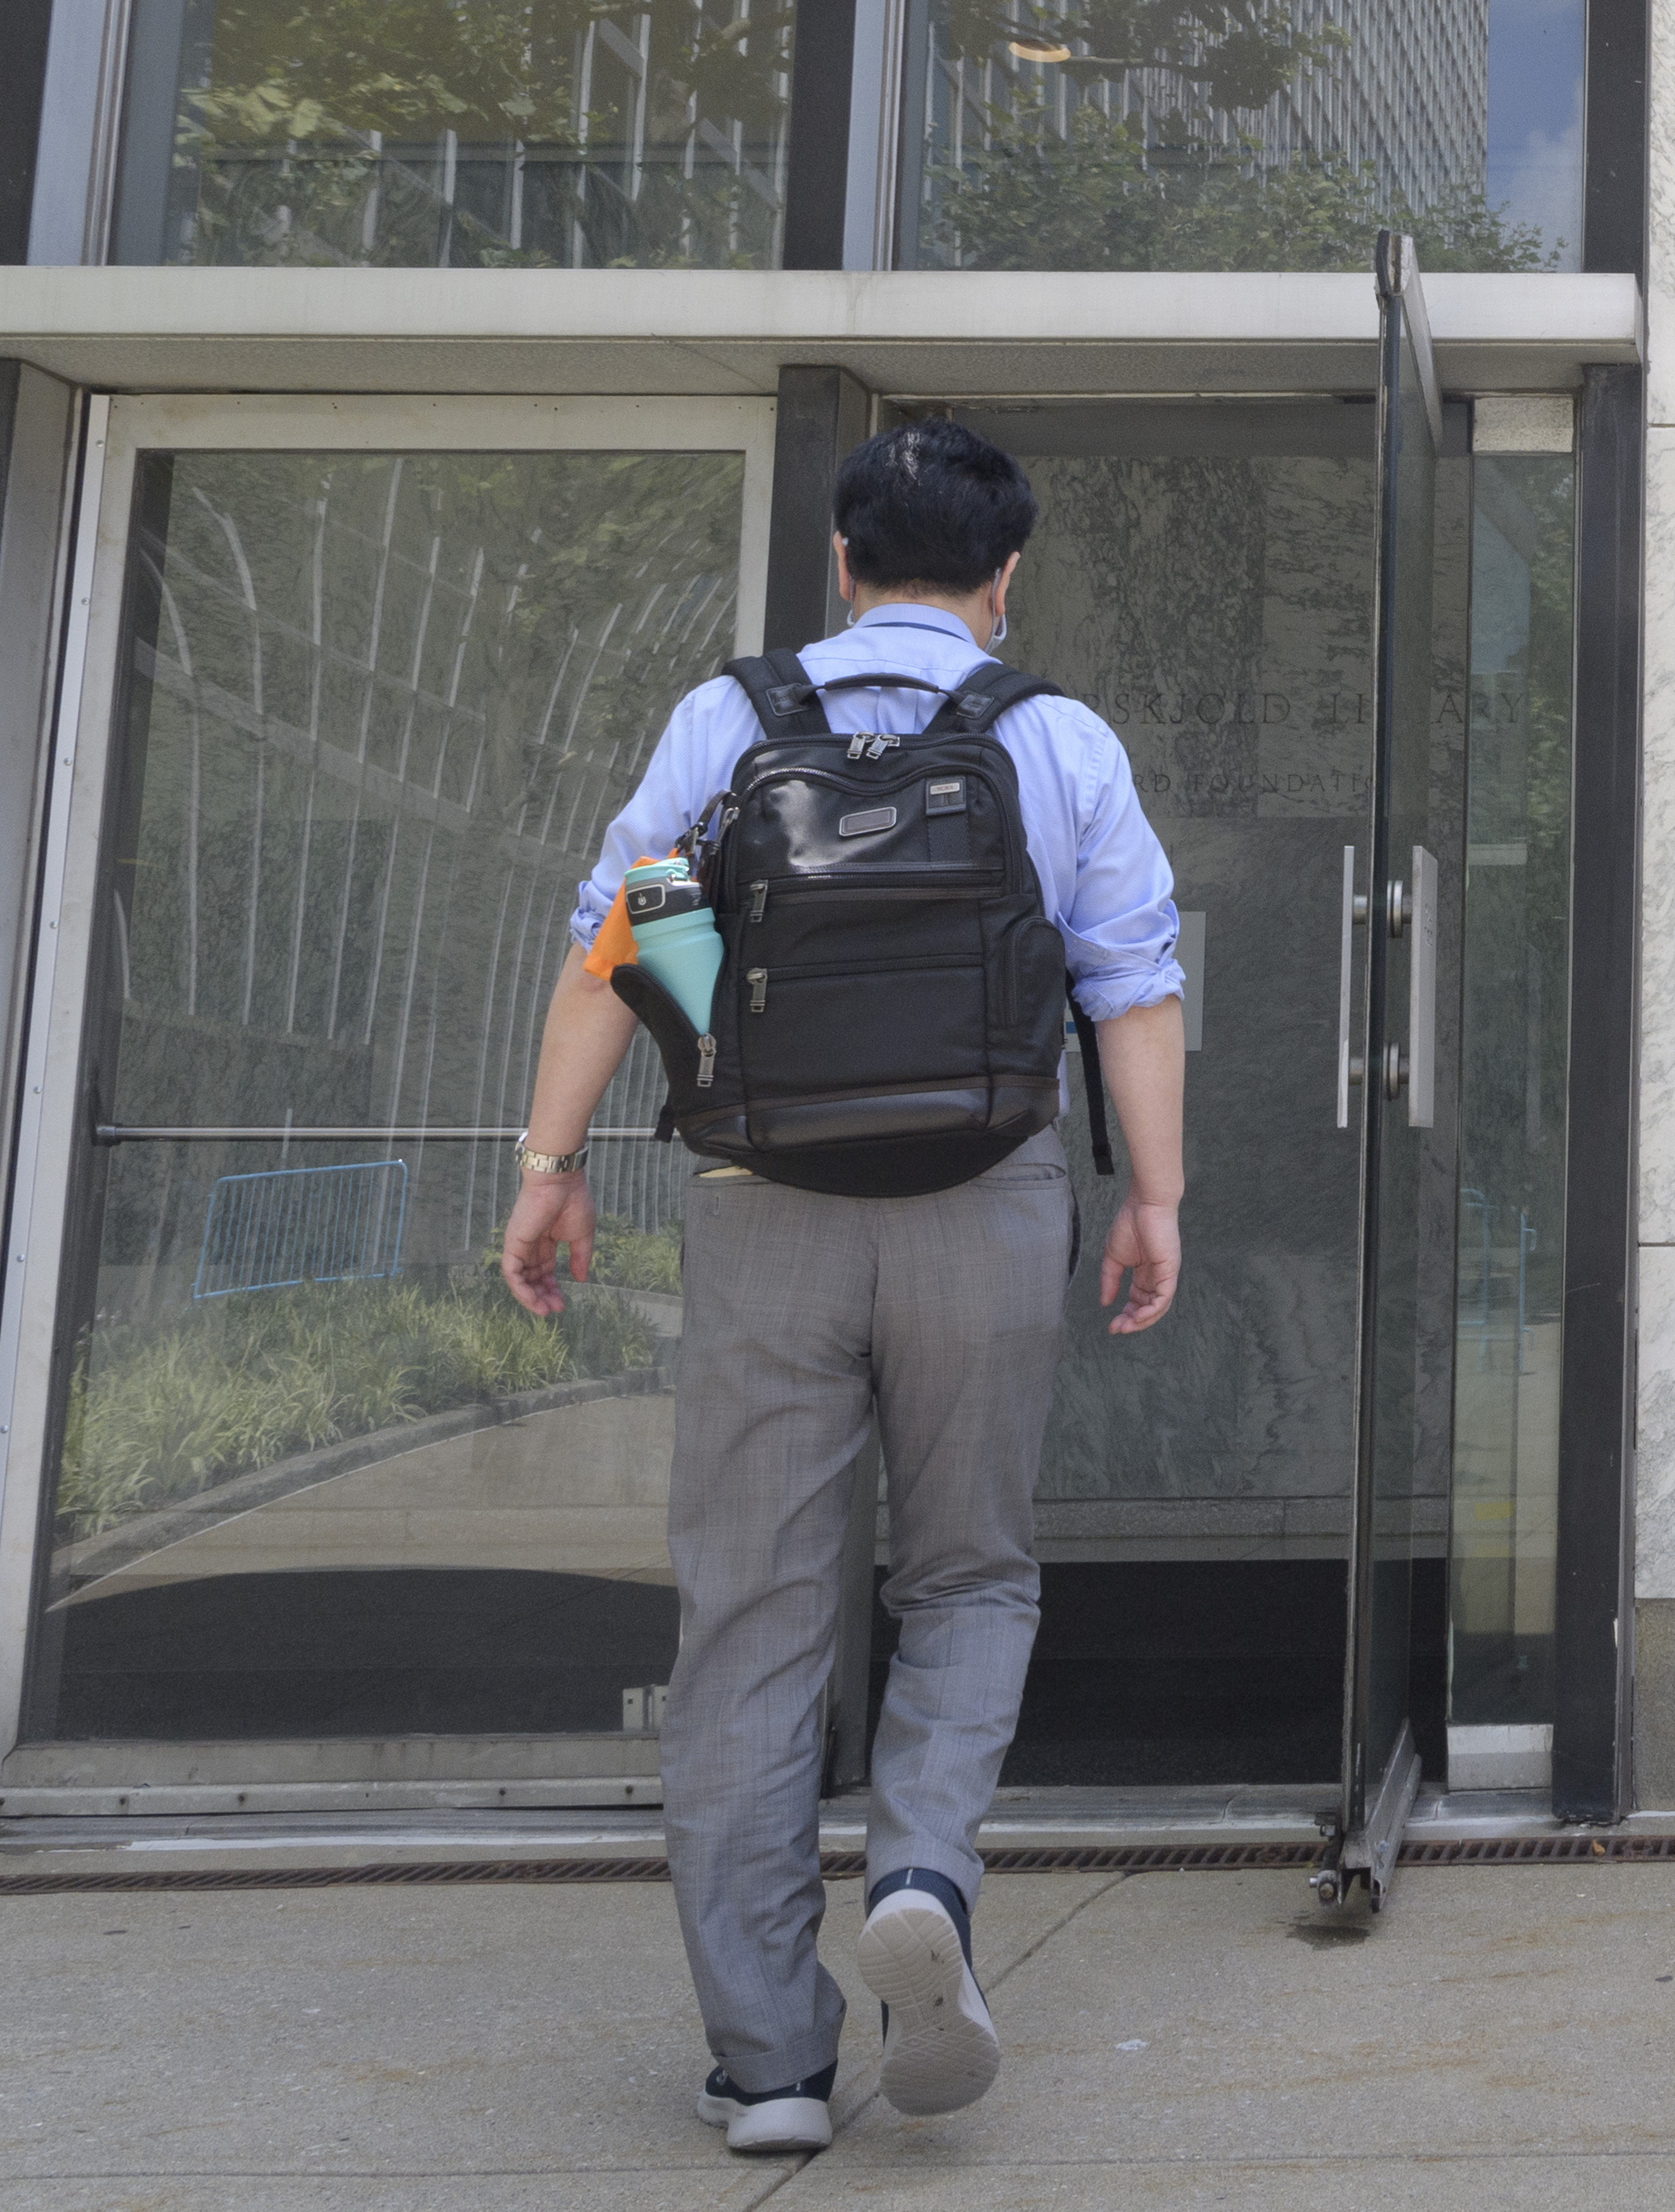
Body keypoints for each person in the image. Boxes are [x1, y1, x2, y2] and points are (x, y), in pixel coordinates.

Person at [498, 418, 1187, 2154]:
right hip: (989, 1195)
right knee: (967, 1571)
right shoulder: (1057, 740)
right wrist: (1153, 1197)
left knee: (749, 1614)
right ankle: (929, 1886)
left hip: (763, 1201)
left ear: (841, 559)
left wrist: (551, 1163)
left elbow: (629, 934)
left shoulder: (731, 722)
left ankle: (768, 2068)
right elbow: (1130, 985)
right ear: (1002, 576)